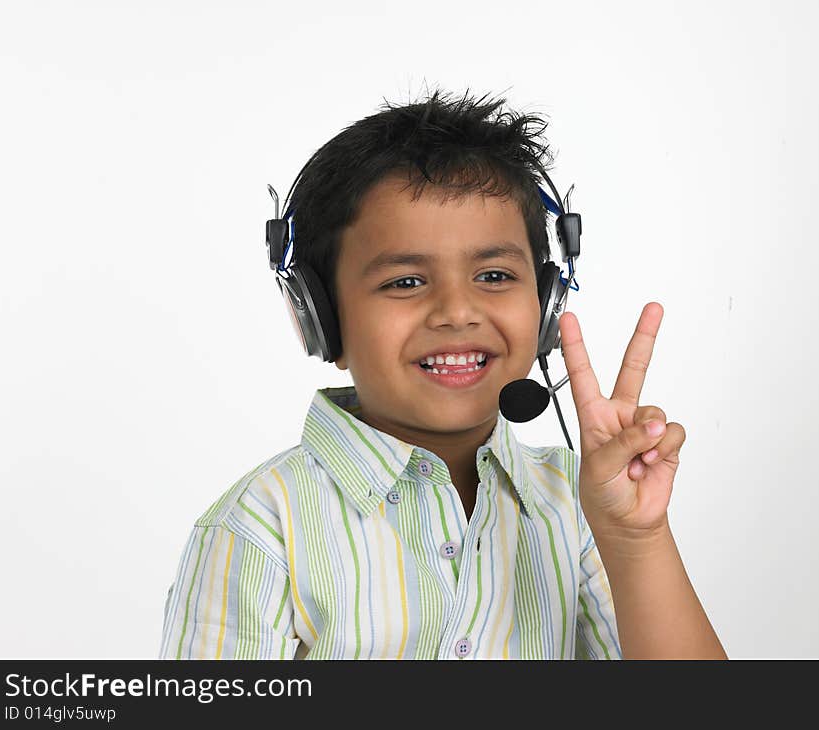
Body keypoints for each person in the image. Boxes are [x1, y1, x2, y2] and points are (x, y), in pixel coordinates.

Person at [158, 88, 727, 660]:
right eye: (405, 281)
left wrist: (635, 540)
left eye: (496, 275)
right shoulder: (259, 531)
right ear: (322, 320)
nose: (457, 311)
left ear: (547, 302)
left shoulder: (580, 504)